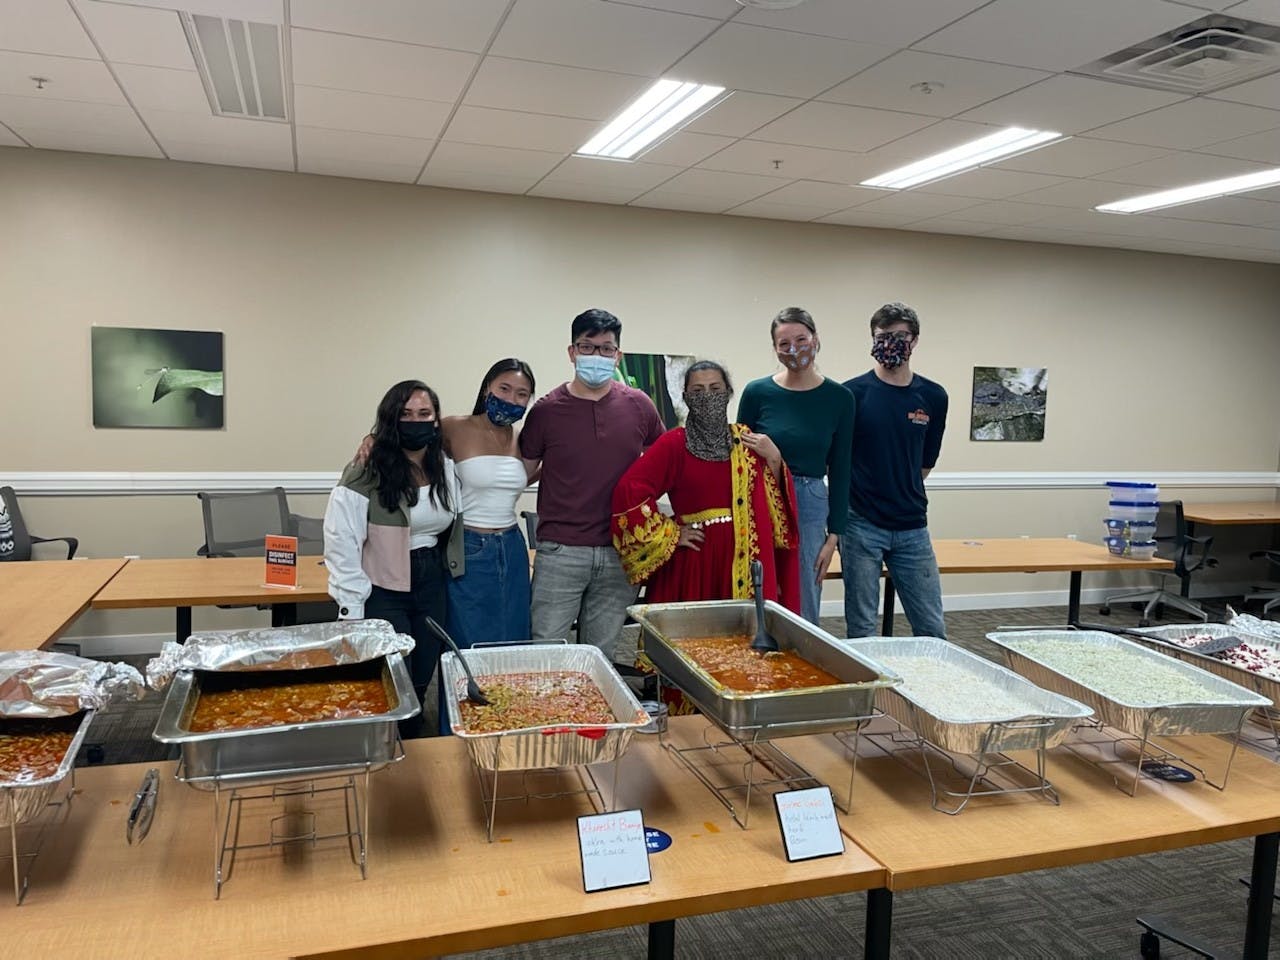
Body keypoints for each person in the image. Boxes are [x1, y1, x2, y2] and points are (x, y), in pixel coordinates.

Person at [519, 308, 665, 659]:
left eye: (606, 348)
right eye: (587, 347)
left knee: (601, 654)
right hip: (561, 551)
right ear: (572, 352)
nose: (596, 355)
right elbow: (521, 473)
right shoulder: (546, 411)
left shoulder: (640, 406)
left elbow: (664, 463)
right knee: (546, 650)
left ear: (618, 355)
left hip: (620, 551)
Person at [324, 379, 462, 736]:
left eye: (424, 413)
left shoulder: (444, 466)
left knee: (421, 678)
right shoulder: (365, 469)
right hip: (384, 586)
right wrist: (350, 608)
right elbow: (341, 541)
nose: (415, 421)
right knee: (392, 679)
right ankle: (390, 751)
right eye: (406, 414)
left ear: (436, 419)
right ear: (390, 418)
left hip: (432, 581)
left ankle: (413, 746)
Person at [611, 360, 800, 610]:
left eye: (715, 388)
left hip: (744, 562)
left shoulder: (748, 443)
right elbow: (630, 490)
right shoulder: (674, 444)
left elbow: (772, 506)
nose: (707, 396)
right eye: (698, 391)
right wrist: (669, 534)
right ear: (686, 397)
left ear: (728, 393)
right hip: (695, 563)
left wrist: (774, 458)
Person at [737, 307, 854, 625]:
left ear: (816, 339)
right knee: (758, 584)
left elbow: (841, 468)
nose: (794, 349)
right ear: (775, 348)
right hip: (761, 494)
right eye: (784, 343)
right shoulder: (757, 392)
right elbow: (740, 456)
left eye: (801, 340)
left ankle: (801, 654)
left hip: (810, 500)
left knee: (803, 592)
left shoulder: (840, 398)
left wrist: (834, 535)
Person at [841, 302, 949, 640]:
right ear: (872, 338)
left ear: (914, 340)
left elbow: (925, 463)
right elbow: (838, 460)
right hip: (860, 524)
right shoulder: (851, 394)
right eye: (883, 335)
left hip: (912, 526)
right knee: (862, 629)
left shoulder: (933, 396)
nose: (891, 342)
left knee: (931, 628)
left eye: (900, 336)